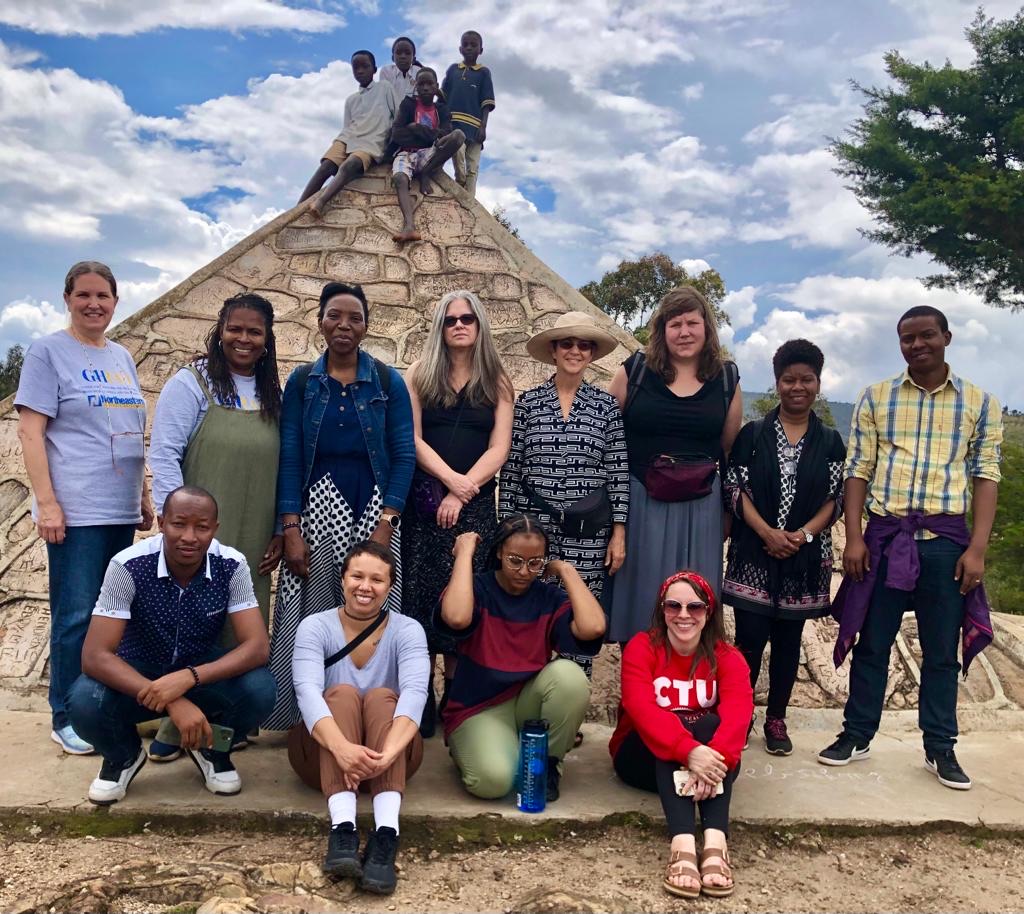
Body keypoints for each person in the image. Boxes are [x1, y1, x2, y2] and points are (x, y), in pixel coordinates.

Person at [818, 306, 1002, 791]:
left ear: (946, 336)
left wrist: (977, 548)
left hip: (945, 544)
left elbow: (985, 475)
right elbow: (857, 469)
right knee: (872, 641)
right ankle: (856, 735)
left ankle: (940, 747)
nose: (917, 345)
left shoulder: (980, 403)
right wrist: (854, 536)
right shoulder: (877, 397)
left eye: (926, 336)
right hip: (883, 537)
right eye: (907, 339)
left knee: (941, 651)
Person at [15, 261, 154, 755]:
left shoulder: (120, 355)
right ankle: (66, 714)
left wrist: (141, 496)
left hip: (118, 508)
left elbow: (129, 431)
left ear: (116, 302)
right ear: (67, 298)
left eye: (104, 296)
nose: (94, 304)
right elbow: (31, 431)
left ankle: (100, 704)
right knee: (75, 615)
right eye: (84, 295)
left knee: (111, 615)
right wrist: (47, 503)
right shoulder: (48, 352)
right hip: (75, 509)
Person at [265, 282, 415, 731]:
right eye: (335, 315)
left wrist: (387, 521)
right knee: (309, 612)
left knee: (373, 605)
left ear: (367, 326)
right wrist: (290, 526)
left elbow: (404, 454)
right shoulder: (302, 382)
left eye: (354, 318)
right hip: (317, 507)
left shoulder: (387, 382)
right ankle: (300, 719)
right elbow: (290, 453)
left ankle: (376, 712)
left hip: (373, 507)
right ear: (320, 321)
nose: (344, 325)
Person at [66, 486, 276, 805]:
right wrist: (172, 702)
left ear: (214, 529)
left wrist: (188, 679)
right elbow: (94, 656)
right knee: (83, 701)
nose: (189, 536)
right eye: (179, 524)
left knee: (261, 688)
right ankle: (122, 756)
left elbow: (258, 647)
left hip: (200, 673)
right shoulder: (128, 566)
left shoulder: (232, 565)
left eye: (201, 527)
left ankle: (212, 749)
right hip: (138, 673)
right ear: (161, 523)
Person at [147, 292, 283, 761]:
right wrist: (176, 525)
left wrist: (281, 530)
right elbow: (164, 453)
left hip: (253, 530)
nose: (243, 339)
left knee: (237, 631)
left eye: (254, 332)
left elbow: (281, 465)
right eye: (235, 329)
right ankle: (176, 718)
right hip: (197, 534)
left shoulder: (271, 393)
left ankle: (221, 728)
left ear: (267, 341)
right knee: (192, 625)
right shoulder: (192, 383)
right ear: (219, 330)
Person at [723, 339, 846, 755]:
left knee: (789, 643)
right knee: (749, 641)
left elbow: (835, 498)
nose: (798, 387)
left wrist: (802, 536)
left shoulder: (830, 441)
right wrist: (767, 533)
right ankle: (739, 716)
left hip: (803, 560)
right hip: (753, 555)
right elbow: (735, 490)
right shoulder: (753, 436)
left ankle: (776, 719)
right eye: (789, 379)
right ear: (777, 383)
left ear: (818, 382)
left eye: (806, 379)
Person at [287, 541, 428, 894]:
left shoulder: (408, 630)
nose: (365, 587)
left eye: (377, 580)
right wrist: (342, 750)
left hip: (389, 757)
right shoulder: (315, 627)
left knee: (383, 697)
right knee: (342, 694)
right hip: (323, 756)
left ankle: (386, 834)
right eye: (357, 576)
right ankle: (343, 830)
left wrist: (389, 754)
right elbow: (305, 690)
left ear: (390, 586)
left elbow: (415, 693)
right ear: (343, 578)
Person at [402, 290, 513, 737]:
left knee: (464, 601)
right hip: (426, 503)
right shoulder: (418, 375)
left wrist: (464, 492)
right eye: (450, 320)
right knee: (421, 597)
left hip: (476, 507)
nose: (460, 325)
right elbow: (411, 439)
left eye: (468, 318)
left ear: (480, 324)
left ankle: (457, 693)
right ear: (440, 328)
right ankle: (421, 694)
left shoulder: (498, 381)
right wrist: (451, 482)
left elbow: (499, 447)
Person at [605, 286, 742, 643]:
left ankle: (686, 694)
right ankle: (637, 690)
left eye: (692, 323)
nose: (684, 332)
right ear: (662, 330)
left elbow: (729, 450)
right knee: (642, 601)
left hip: (701, 508)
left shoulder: (727, 379)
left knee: (695, 602)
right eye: (675, 323)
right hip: (641, 502)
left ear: (706, 328)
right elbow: (605, 432)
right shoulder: (635, 370)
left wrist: (728, 513)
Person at [436, 516, 606, 801]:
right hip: (479, 707)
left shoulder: (547, 597)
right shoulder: (477, 588)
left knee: (570, 677)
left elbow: (593, 628)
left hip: (528, 701)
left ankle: (550, 764)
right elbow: (455, 617)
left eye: (535, 563)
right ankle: (477, 745)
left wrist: (566, 571)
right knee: (493, 783)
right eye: (515, 560)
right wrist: (464, 553)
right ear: (500, 552)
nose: (524, 571)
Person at [500, 309, 629, 679]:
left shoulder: (605, 408)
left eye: (584, 345)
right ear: (554, 351)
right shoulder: (528, 404)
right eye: (567, 343)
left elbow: (617, 471)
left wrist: (619, 533)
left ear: (591, 354)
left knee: (580, 615)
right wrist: (506, 531)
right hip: (531, 530)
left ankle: (568, 711)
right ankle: (525, 698)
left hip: (587, 533)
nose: (575, 350)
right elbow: (511, 470)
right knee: (528, 613)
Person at [610, 570, 752, 898]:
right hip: (640, 757)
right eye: (673, 606)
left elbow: (738, 716)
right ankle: (683, 844)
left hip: (712, 762)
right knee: (670, 726)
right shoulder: (642, 647)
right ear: (662, 610)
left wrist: (709, 757)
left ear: (709, 612)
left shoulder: (728, 657)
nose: (684, 615)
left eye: (695, 607)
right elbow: (640, 708)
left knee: (709, 726)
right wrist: (687, 751)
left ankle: (716, 842)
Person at [299, 51, 399, 215]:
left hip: (372, 141)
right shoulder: (351, 100)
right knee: (325, 167)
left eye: (365, 66)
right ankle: (298, 207)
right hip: (348, 138)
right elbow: (347, 126)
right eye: (356, 68)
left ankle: (321, 202)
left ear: (374, 69)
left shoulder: (385, 88)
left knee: (349, 165)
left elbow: (398, 115)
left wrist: (391, 148)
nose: (360, 71)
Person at [389, 67, 465, 243]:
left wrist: (416, 129)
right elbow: (397, 134)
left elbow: (446, 135)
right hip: (406, 153)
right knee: (400, 179)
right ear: (415, 85)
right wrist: (432, 134)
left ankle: (426, 173)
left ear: (436, 86)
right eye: (421, 83)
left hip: (428, 154)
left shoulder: (442, 110)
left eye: (429, 84)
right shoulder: (408, 105)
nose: (425, 88)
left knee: (458, 136)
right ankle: (409, 226)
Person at [441, 30, 495, 198]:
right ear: (460, 49)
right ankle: (460, 180)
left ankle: (469, 199)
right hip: (455, 124)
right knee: (457, 151)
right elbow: (443, 97)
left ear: (481, 50)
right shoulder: (453, 70)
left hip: (475, 127)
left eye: (473, 45)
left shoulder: (483, 72)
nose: (469, 48)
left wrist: (483, 126)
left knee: (473, 167)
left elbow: (487, 102)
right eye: (466, 45)